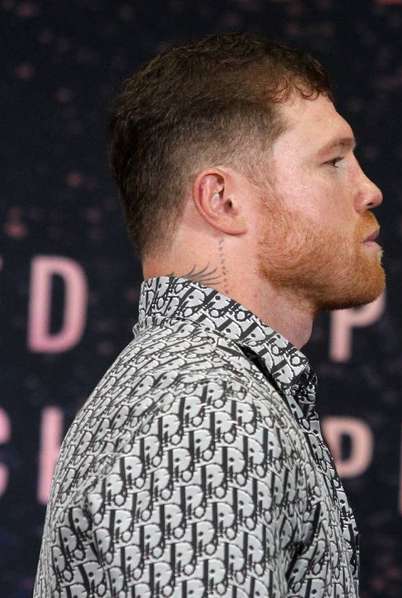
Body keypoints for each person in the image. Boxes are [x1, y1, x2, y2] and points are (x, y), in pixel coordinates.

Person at [34, 33, 383, 597]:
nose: (369, 190)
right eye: (334, 162)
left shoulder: (193, 387)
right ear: (222, 200)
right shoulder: (205, 408)